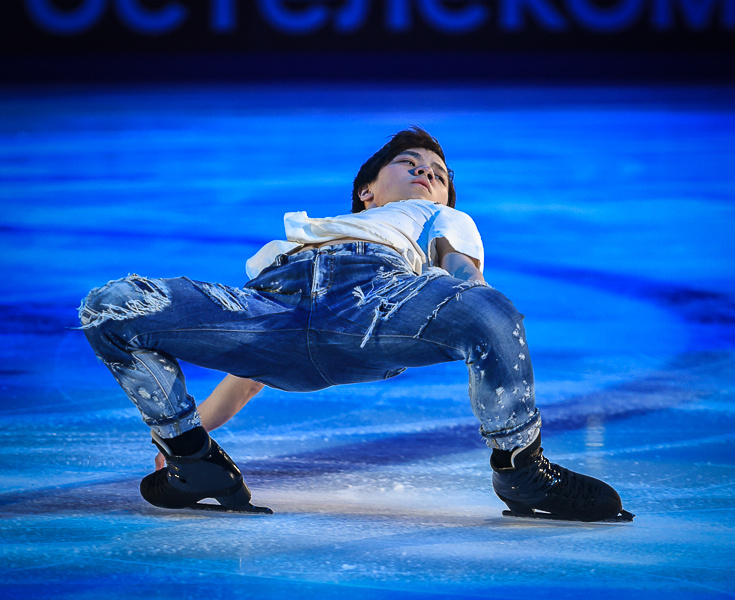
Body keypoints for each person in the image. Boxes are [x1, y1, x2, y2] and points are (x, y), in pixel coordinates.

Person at [79, 127, 631, 522]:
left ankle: (521, 467)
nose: (426, 173)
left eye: (437, 175)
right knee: (113, 306)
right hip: (274, 314)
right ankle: (193, 462)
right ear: (367, 189)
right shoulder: (309, 232)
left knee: (492, 308)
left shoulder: (439, 218)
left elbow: (464, 273)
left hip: (376, 307)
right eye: (410, 164)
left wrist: (478, 308)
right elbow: (248, 370)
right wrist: (198, 426)